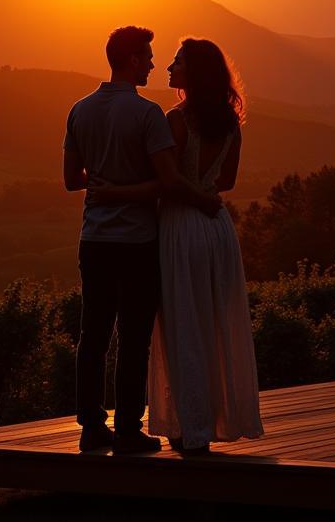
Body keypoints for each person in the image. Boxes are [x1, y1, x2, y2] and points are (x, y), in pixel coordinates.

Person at [92, 38, 264, 455]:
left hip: (180, 229)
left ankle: (190, 424)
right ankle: (215, 416)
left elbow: (167, 181)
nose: (169, 67)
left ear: (195, 73)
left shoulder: (176, 120)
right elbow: (226, 183)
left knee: (180, 324)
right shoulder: (229, 121)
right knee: (212, 323)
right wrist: (205, 195)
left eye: (178, 62)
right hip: (217, 229)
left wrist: (114, 193)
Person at [63, 26, 221, 455]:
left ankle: (92, 426)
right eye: (148, 57)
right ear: (132, 60)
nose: (153, 64)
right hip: (137, 240)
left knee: (92, 333)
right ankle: (129, 430)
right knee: (133, 337)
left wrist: (102, 184)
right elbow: (164, 183)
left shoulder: (80, 110)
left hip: (94, 237)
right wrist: (130, 188)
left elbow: (70, 180)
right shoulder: (148, 114)